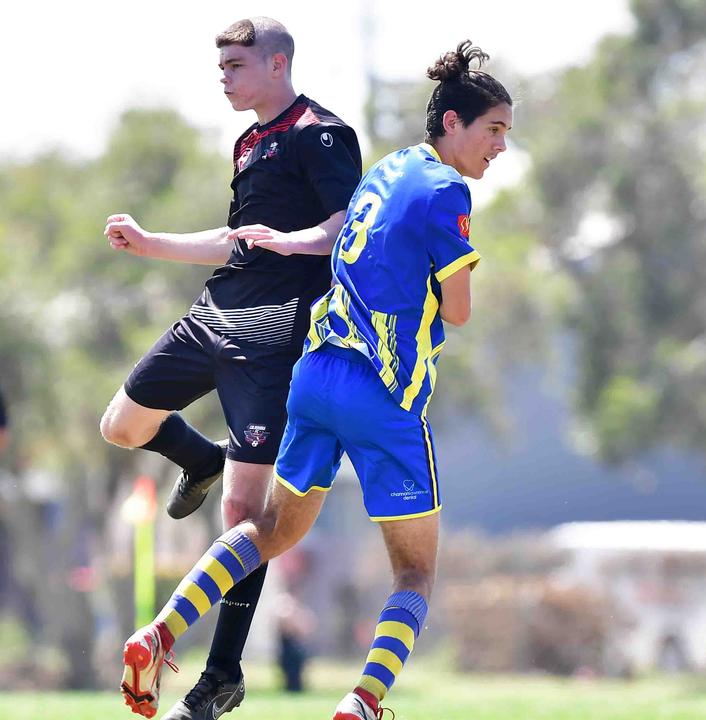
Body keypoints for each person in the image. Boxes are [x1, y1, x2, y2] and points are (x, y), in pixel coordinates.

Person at [120, 41, 511, 720]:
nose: (500, 148)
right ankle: (360, 704)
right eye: (495, 130)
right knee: (414, 572)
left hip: (315, 376)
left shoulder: (386, 172)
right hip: (381, 392)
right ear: (452, 123)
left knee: (268, 529)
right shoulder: (446, 188)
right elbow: (458, 309)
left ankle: (161, 631)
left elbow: (335, 245)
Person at [103, 17, 361, 720]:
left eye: (237, 65)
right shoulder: (250, 140)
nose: (225, 77)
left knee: (244, 516)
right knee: (122, 425)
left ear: (277, 65)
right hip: (213, 315)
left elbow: (346, 230)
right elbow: (235, 238)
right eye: (221, 66)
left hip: (274, 335)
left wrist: (292, 241)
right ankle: (203, 457)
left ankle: (221, 675)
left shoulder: (323, 133)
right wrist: (152, 243)